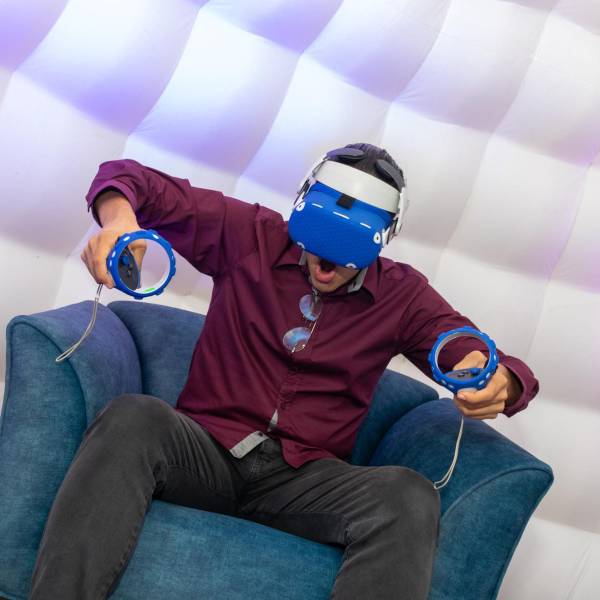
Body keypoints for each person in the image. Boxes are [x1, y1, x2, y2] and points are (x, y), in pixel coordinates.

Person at [29, 143, 538, 600]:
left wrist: (498, 380)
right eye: (320, 238)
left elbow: (484, 357)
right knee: (133, 418)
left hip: (304, 481)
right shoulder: (248, 235)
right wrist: (119, 221)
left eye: (347, 249)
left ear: (382, 237)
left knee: (408, 497)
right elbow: (126, 176)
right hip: (206, 451)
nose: (326, 262)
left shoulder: (402, 295)